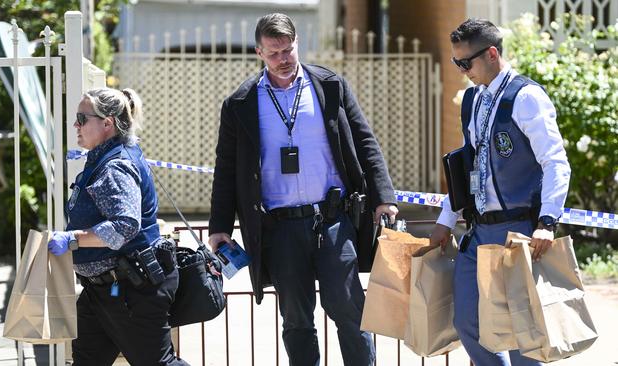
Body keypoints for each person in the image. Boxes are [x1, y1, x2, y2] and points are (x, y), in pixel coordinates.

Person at [208, 12, 398, 366]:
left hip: (333, 221)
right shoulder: (240, 104)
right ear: (259, 53)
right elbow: (227, 170)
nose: (283, 60)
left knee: (350, 311)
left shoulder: (329, 85)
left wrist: (383, 198)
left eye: (288, 50)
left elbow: (365, 141)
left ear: (298, 44)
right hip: (279, 228)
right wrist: (220, 226)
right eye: (274, 53)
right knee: (296, 320)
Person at [430, 19, 571, 365]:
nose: (463, 71)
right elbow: (466, 167)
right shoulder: (473, 100)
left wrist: (547, 221)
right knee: (467, 322)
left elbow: (556, 162)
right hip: (478, 231)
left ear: (492, 54)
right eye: (456, 63)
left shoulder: (527, 97)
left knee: (522, 336)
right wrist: (445, 220)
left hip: (520, 231)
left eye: (467, 63)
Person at [47, 88, 188, 366]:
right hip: (105, 290)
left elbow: (125, 225)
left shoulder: (115, 166)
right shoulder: (103, 157)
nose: (76, 125)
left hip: (129, 292)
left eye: (81, 118)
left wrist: (73, 239)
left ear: (107, 123)